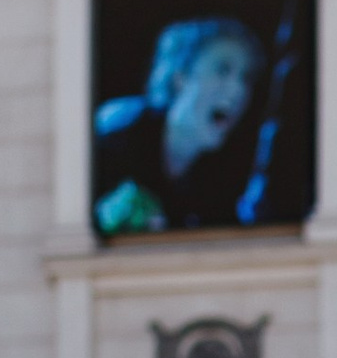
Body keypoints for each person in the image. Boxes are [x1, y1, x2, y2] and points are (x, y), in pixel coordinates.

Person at [92, 14, 264, 235]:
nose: (238, 90)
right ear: (180, 77)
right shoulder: (116, 132)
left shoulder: (217, 185)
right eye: (222, 70)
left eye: (245, 78)